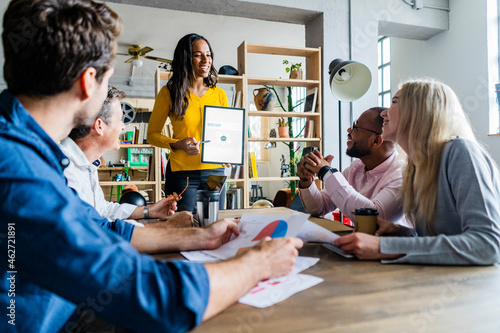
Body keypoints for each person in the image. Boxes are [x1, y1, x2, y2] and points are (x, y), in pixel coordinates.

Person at [0, 1, 302, 332]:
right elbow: (155, 298)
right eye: (108, 79)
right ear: (88, 83)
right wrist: (257, 263)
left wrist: (196, 237)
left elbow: (97, 228)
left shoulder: (30, 152)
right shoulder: (17, 171)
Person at [334, 79, 500, 265]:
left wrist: (383, 247)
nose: (383, 113)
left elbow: (488, 245)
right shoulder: (417, 166)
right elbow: (443, 236)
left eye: (395, 102)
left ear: (421, 111)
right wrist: (402, 233)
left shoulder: (460, 152)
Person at [60, 85, 191, 228]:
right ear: (99, 126)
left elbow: (103, 210)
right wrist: (166, 228)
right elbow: (90, 227)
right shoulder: (64, 168)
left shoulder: (87, 163)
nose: (123, 126)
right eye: (120, 120)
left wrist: (149, 210)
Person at [148, 33, 228, 212]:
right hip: (182, 174)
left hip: (215, 173)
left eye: (208, 54)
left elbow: (225, 134)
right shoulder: (168, 93)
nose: (205, 59)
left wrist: (228, 152)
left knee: (213, 225)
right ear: (185, 58)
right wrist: (178, 144)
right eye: (198, 54)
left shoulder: (220, 95)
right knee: (183, 226)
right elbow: (152, 135)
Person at [298, 107, 408, 225]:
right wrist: (307, 180)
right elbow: (320, 207)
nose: (349, 130)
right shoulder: (357, 167)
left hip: (388, 244)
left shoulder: (402, 175)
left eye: (356, 127)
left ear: (376, 141)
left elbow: (373, 219)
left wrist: (327, 172)